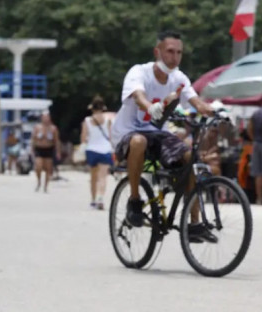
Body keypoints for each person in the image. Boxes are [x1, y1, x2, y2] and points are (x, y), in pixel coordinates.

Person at [111, 30, 215, 242]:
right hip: (128, 132)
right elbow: (138, 96)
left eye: (179, 52)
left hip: (157, 133)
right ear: (157, 52)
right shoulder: (139, 72)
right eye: (169, 51)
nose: (174, 57)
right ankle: (134, 200)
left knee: (190, 158)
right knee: (139, 141)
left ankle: (194, 224)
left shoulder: (178, 78)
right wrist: (151, 106)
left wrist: (213, 111)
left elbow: (195, 101)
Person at [81, 96, 114, 209]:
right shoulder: (107, 120)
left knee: (93, 177)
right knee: (103, 177)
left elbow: (84, 137)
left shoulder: (87, 121)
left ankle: (93, 200)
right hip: (105, 149)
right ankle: (101, 197)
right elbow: (110, 136)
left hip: (92, 149)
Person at [31, 111, 60, 192]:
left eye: (47, 117)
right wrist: (32, 149)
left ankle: (46, 186)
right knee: (38, 166)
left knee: (48, 168)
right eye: (44, 117)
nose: (46, 119)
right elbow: (33, 139)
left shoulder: (53, 128)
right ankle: (39, 181)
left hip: (49, 149)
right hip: (39, 149)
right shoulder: (37, 127)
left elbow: (56, 141)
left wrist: (58, 151)